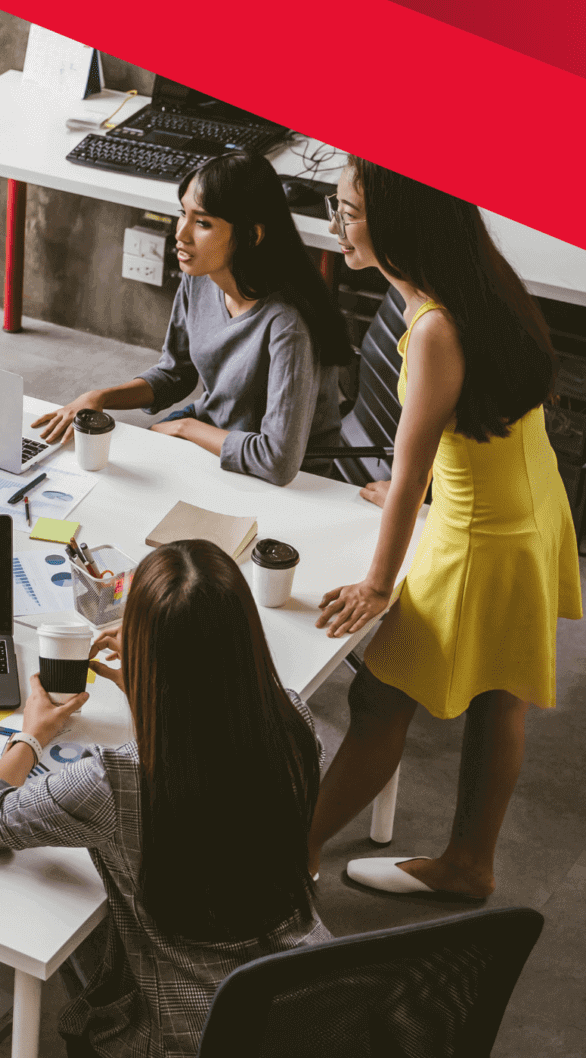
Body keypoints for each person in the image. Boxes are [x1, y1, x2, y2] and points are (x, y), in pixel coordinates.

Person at [310, 159, 580, 899]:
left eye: (349, 211)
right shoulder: (485, 280)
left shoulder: (432, 327)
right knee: (503, 690)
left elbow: (416, 456)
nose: (339, 226)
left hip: (482, 535)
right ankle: (469, 863)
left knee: (379, 700)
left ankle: (288, 857)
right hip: (530, 509)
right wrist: (413, 493)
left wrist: (376, 584)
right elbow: (444, 447)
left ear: (398, 222)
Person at [0, 540, 328, 1058]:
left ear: (143, 649)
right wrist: (159, 687)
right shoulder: (294, 720)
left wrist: (31, 737)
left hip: (191, 1034)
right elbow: (216, 770)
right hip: (309, 999)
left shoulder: (112, 782)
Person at [34, 152, 351, 486]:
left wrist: (185, 428)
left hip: (285, 482)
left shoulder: (287, 324)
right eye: (182, 214)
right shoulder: (202, 275)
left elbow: (278, 461)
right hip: (217, 437)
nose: (181, 235)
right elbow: (175, 374)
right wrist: (99, 397)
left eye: (202, 223)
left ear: (251, 235)